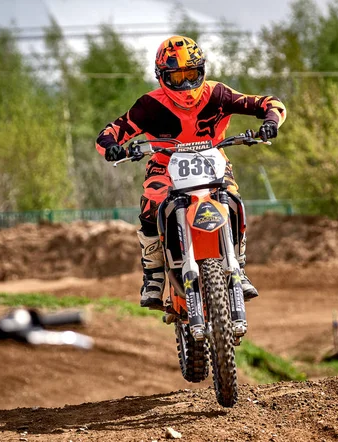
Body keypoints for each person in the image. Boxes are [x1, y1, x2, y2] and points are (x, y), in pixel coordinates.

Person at [96, 35, 287, 310]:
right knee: (151, 202)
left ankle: (239, 266)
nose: (186, 85)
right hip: (164, 165)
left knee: (233, 198)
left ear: (203, 71)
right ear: (162, 77)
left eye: (192, 74)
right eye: (177, 77)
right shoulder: (149, 105)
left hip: (213, 161)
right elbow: (109, 133)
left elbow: (270, 102)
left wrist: (270, 122)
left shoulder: (217, 94)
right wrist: (113, 148)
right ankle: (154, 275)